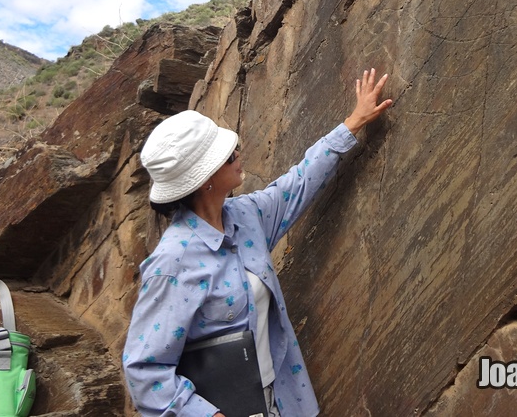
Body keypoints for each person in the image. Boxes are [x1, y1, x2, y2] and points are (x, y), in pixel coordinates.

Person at [123, 69, 393, 417]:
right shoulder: (172, 263)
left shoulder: (246, 216)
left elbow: (298, 183)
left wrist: (353, 122)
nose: (238, 151)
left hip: (285, 399)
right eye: (228, 155)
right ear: (205, 179)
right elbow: (144, 370)